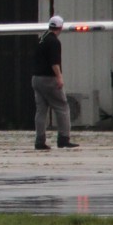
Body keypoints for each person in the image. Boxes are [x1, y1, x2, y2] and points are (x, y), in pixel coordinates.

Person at [32, 15, 78, 150]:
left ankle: (39, 141)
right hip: (48, 79)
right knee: (62, 107)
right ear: (60, 27)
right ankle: (63, 138)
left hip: (36, 78)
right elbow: (54, 63)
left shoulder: (42, 38)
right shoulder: (54, 42)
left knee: (41, 111)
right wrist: (59, 77)